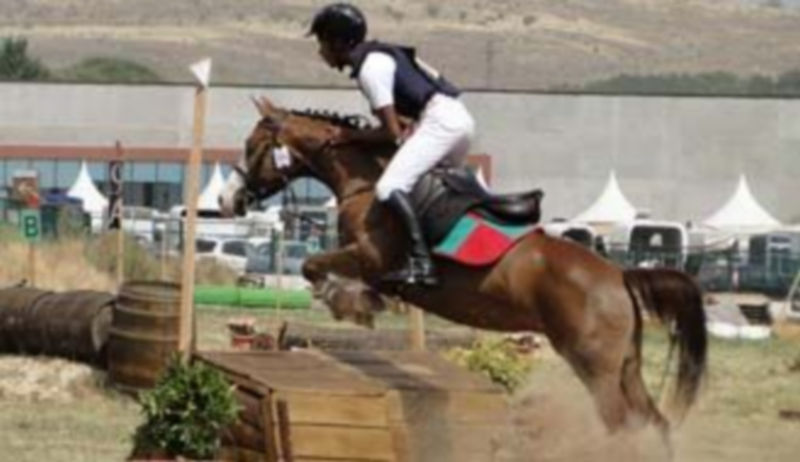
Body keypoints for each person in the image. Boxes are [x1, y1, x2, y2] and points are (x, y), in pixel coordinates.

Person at [308, 2, 476, 286]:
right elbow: (402, 123)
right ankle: (442, 256)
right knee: (431, 191)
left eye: (322, 42)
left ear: (337, 42)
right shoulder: (380, 56)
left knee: (389, 187)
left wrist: (348, 136)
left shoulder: (370, 70)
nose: (320, 50)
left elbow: (391, 134)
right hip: (455, 119)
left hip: (440, 122)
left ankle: (421, 263)